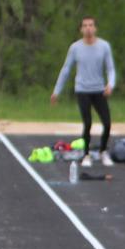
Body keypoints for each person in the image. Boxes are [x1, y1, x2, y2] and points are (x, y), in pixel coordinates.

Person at [51, 16, 116, 167]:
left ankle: (103, 151)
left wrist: (110, 84)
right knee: (87, 123)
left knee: (107, 122)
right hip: (82, 90)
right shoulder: (75, 48)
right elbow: (66, 69)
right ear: (81, 29)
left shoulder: (104, 46)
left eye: (91, 25)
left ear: (95, 28)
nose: (88, 28)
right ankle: (86, 154)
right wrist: (56, 91)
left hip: (99, 90)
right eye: (85, 25)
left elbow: (111, 68)